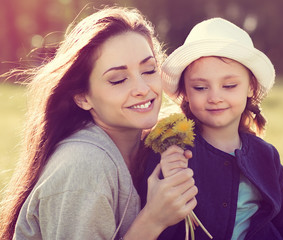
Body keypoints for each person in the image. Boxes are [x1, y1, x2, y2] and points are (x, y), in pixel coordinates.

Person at [0, 7, 198, 240]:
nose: (143, 89)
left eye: (149, 69)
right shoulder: (84, 168)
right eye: (118, 79)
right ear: (83, 97)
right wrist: (153, 220)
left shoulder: (151, 147)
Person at [140, 18, 283, 239]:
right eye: (200, 87)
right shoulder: (173, 153)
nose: (215, 97)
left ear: (250, 87)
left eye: (229, 86)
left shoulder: (267, 156)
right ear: (185, 92)